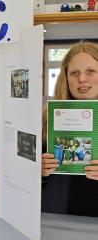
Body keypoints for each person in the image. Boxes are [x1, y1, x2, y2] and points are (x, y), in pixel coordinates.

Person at [42, 41, 98, 216]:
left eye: (90, 71)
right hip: (56, 216)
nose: (82, 79)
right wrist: (39, 171)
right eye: (74, 73)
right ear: (66, 78)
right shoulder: (46, 118)